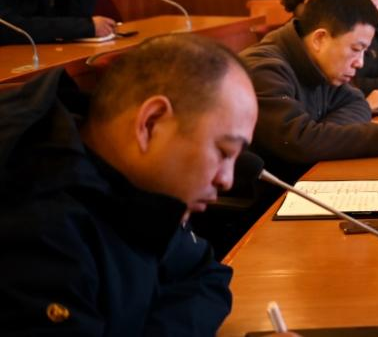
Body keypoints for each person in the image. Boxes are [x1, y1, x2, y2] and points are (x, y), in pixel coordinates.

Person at [0, 34, 258, 334]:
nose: (226, 180)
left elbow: (207, 275)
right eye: (224, 152)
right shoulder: (37, 221)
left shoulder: (135, 185)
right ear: (150, 123)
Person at [239, 0, 378, 185]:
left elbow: (357, 103)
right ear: (320, 39)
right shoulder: (264, 69)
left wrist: (322, 135)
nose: (360, 63)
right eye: (356, 49)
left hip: (304, 181)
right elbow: (298, 142)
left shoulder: (321, 63)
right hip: (263, 198)